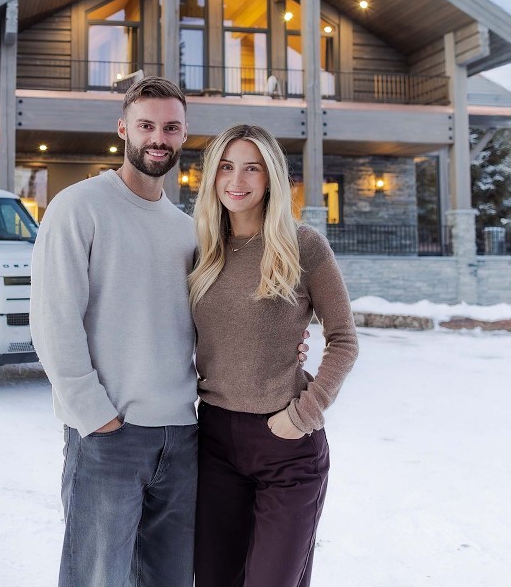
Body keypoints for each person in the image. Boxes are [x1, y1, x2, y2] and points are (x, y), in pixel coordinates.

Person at [31, 78, 309, 587]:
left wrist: (283, 340)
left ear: (184, 137)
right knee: (99, 577)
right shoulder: (79, 207)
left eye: (171, 127)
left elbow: (219, 318)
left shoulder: (188, 230)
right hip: (109, 435)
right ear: (123, 130)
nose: (158, 137)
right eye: (146, 125)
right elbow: (53, 321)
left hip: (182, 437)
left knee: (172, 578)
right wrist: (95, 416)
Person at [189, 124, 359, 587]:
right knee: (212, 578)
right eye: (226, 167)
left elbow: (344, 339)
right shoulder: (201, 249)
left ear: (271, 179)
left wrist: (305, 412)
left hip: (286, 445)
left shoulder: (303, 246)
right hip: (215, 440)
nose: (236, 181)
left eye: (251, 168)